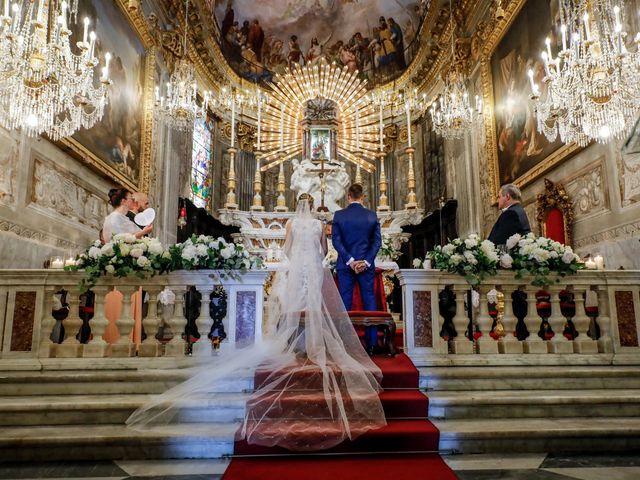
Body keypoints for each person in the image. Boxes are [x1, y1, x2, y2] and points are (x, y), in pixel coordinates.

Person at [127, 194, 386, 451]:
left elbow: (286, 250)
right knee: (316, 308)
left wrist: (296, 256)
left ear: (297, 204)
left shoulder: (290, 224)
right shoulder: (320, 225)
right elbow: (323, 251)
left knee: (294, 308)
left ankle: (295, 346)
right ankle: (317, 344)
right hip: (314, 268)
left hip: (297, 268)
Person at [331, 184, 381, 355]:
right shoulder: (371, 215)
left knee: (345, 303)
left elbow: (336, 241)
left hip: (345, 265)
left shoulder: (339, 215)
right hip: (366, 267)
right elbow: (377, 242)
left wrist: (351, 261)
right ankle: (372, 344)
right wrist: (366, 261)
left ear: (348, 197)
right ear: (363, 197)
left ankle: (343, 343)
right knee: (369, 301)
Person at [102, 188, 152, 348]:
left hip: (128, 267)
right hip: (120, 269)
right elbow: (119, 240)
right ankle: (115, 340)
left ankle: (130, 342)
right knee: (120, 308)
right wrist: (143, 233)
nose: (133, 201)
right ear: (123, 201)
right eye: (130, 198)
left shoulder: (123, 217)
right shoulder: (114, 217)